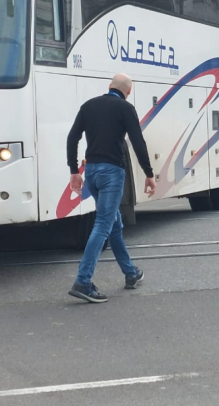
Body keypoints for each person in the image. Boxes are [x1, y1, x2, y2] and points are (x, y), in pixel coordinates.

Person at [66, 73, 157, 303]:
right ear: (128, 92)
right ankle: (83, 281)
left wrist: (74, 171)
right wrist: (149, 174)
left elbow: (72, 138)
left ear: (109, 86)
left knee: (114, 224)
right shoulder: (125, 108)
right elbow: (138, 142)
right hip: (111, 174)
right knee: (103, 225)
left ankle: (130, 273)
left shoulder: (88, 106)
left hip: (92, 173)